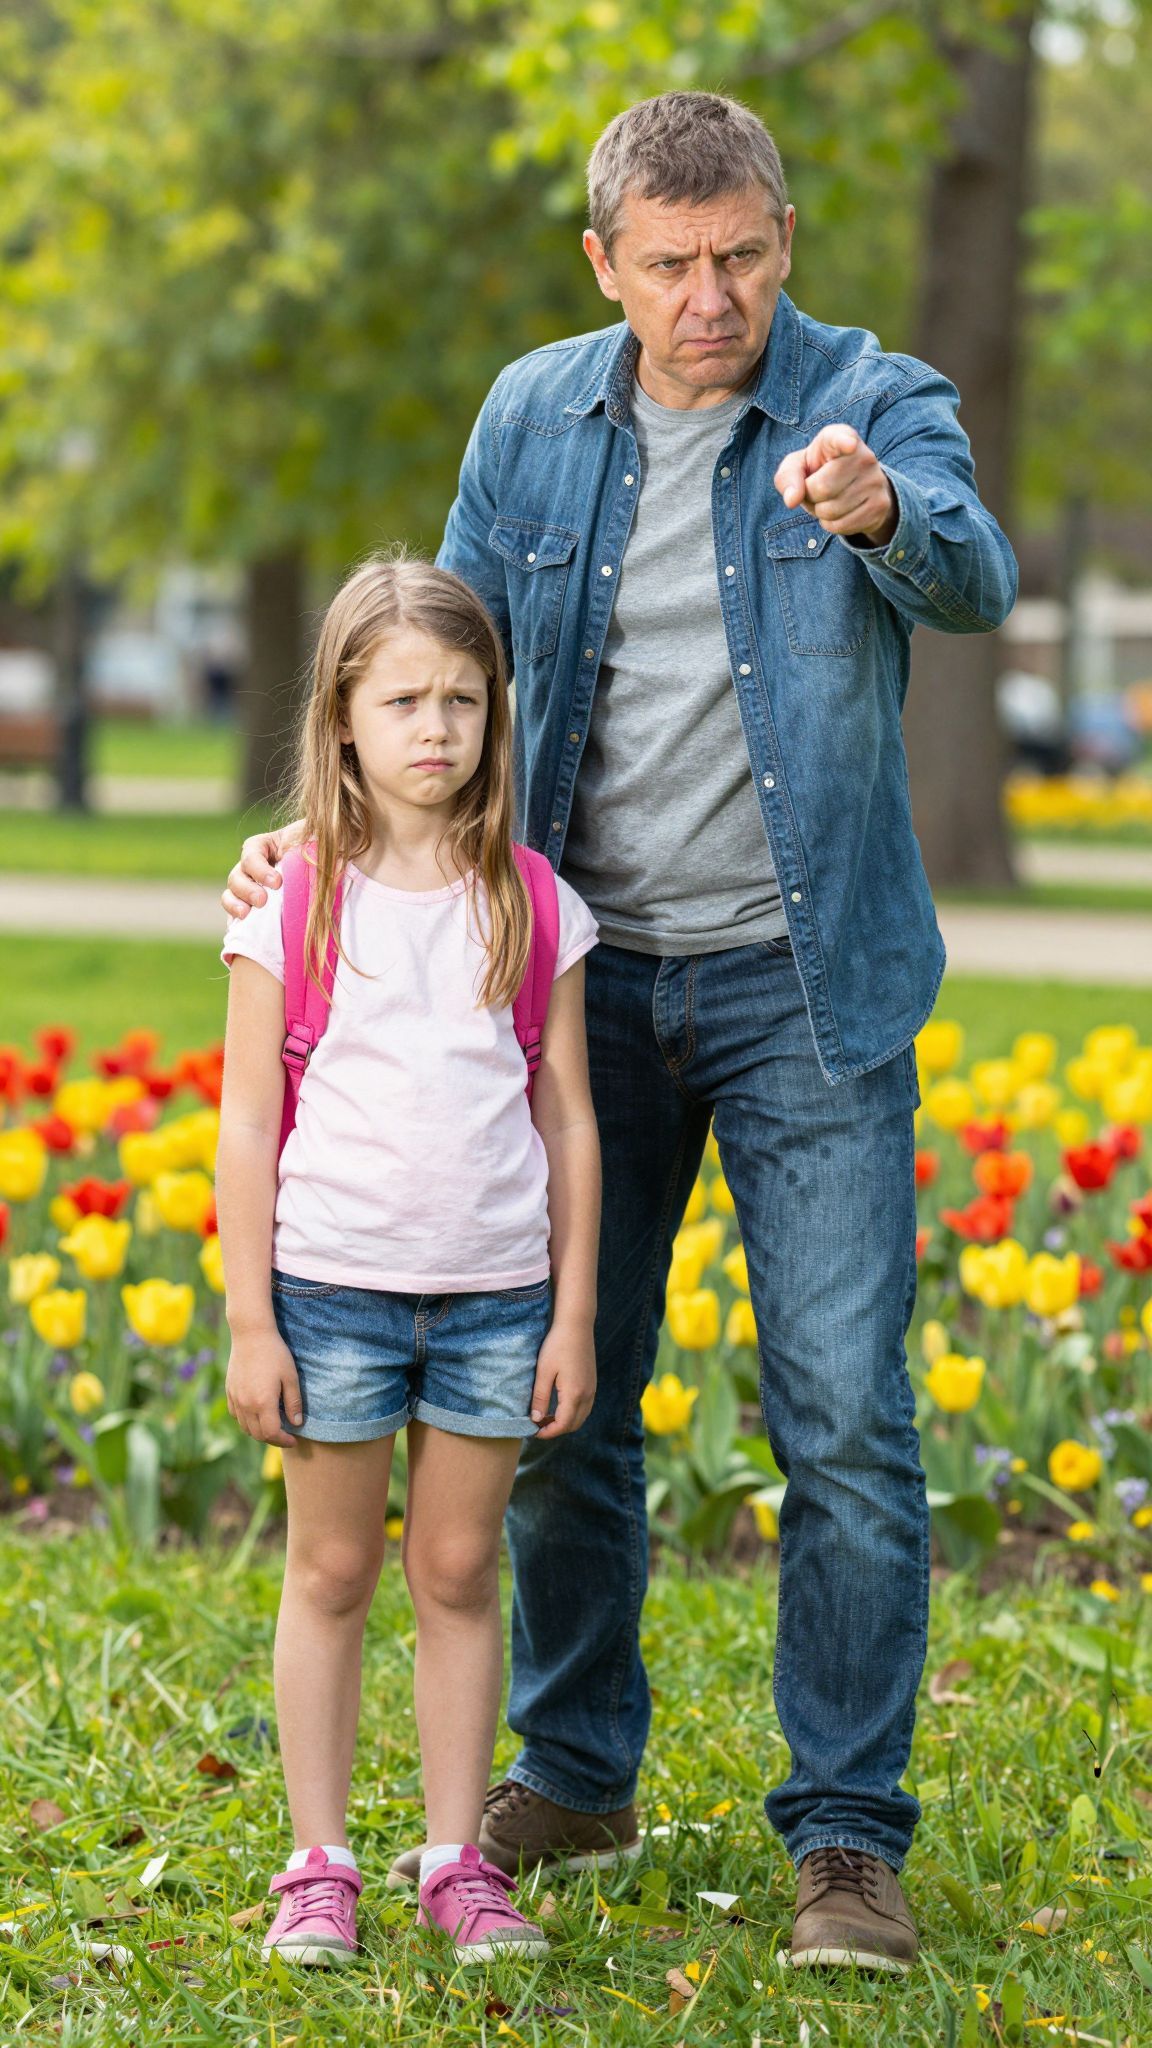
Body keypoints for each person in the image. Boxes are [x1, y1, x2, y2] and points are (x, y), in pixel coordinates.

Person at [224, 92, 1019, 1973]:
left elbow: (978, 574)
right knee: (561, 1397)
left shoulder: (873, 397)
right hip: (574, 979)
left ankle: (845, 1841)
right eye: (667, 265)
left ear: (784, 235)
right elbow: (423, 662)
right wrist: (327, 824)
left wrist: (886, 513)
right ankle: (576, 1771)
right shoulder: (530, 413)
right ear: (606, 265)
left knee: (843, 1421)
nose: (710, 296)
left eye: (741, 253)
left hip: (804, 986)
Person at [216, 554, 601, 1966]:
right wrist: (253, 1322)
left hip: (498, 1300)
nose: (436, 729)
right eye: (404, 701)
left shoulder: (533, 902)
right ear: (341, 720)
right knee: (328, 1575)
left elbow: (566, 1114)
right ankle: (318, 1865)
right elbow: (249, 1122)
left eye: (464, 699)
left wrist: (571, 1315)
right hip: (332, 1293)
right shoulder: (295, 903)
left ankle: (454, 1861)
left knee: (455, 1570)